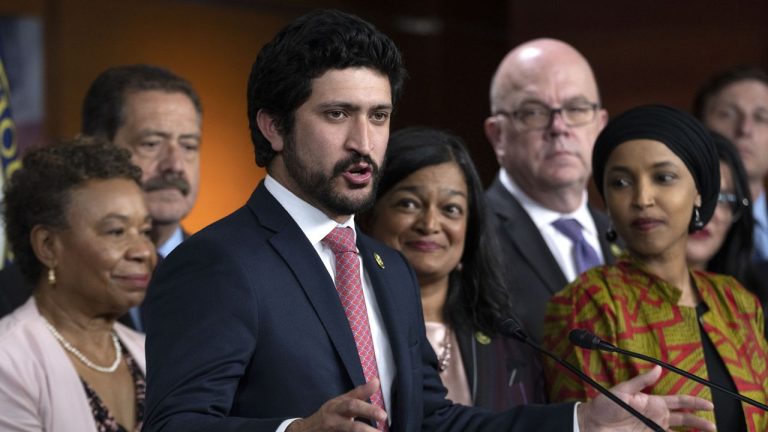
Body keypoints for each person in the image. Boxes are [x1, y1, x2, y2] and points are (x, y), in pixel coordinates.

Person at [143, 10, 715, 432]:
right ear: (273, 127)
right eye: (337, 114)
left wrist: (578, 422)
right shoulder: (217, 261)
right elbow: (175, 425)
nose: (363, 142)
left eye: (379, 116)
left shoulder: (387, 266)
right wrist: (296, 431)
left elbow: (435, 421)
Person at [543, 105, 768, 431]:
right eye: (620, 182)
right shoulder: (587, 301)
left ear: (699, 193)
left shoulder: (736, 301)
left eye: (663, 178)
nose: (642, 198)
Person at [0, 64, 203, 331]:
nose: (174, 164)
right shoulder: (12, 294)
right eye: (151, 144)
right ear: (97, 149)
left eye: (189, 146)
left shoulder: (225, 273)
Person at [362, 127, 546, 410]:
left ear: (469, 231)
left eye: (450, 209)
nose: (430, 224)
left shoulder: (509, 343)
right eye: (408, 203)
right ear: (370, 216)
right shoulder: (345, 326)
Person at [0, 138, 156, 431]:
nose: (143, 251)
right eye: (116, 231)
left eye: (145, 231)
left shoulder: (149, 352)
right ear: (47, 246)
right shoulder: (8, 362)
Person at [483, 38, 617, 343]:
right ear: (498, 135)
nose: (559, 127)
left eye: (577, 108)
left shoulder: (627, 236)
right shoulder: (470, 237)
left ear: (599, 125)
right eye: (534, 112)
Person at [686, 131, 768, 313]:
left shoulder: (755, 301)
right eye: (697, 192)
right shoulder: (617, 297)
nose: (709, 212)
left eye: (723, 198)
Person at [694, 66, 768, 263]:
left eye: (762, 118)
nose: (745, 129)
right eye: (727, 114)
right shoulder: (690, 231)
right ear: (698, 125)